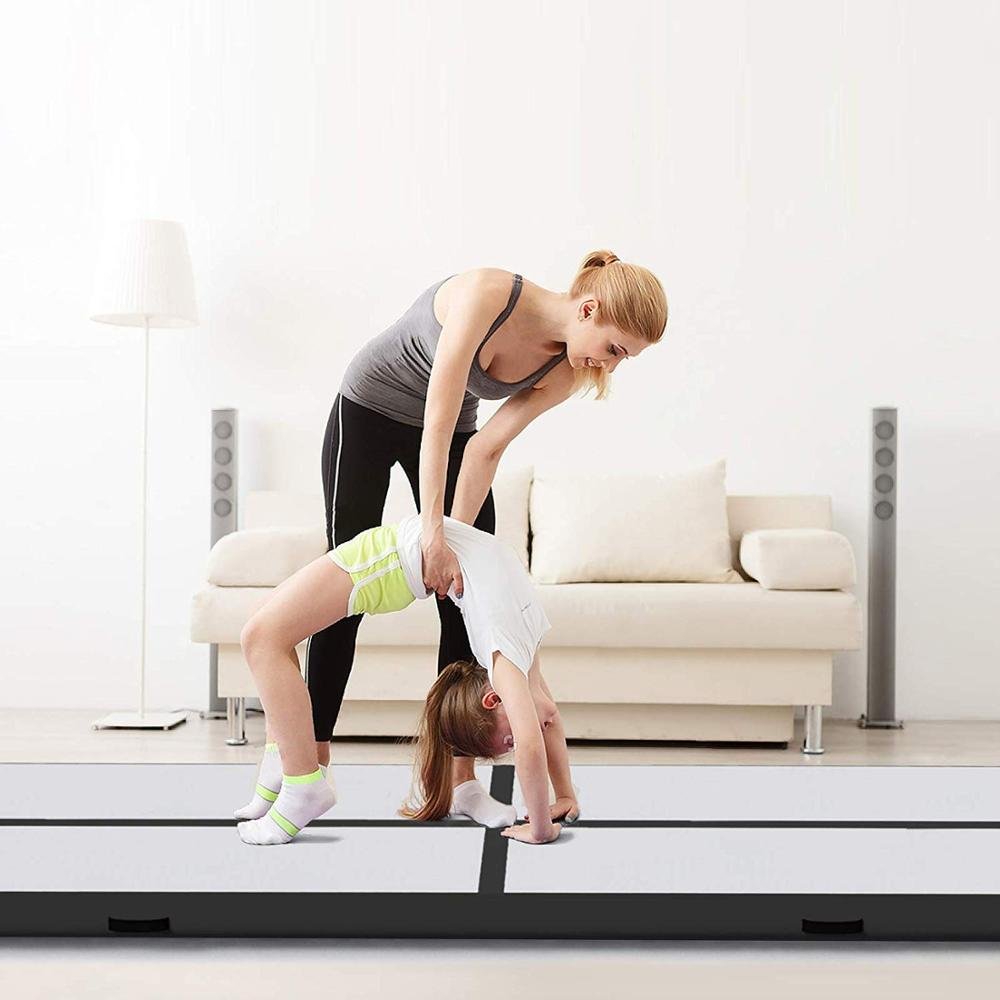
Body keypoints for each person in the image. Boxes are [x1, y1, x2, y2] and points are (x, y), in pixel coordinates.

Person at [304, 251, 668, 825]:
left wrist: (453, 548)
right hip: (369, 410)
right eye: (616, 349)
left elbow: (483, 448)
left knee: (466, 604)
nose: (612, 365)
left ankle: (461, 782)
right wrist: (430, 534)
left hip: (454, 434)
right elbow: (439, 412)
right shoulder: (485, 294)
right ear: (589, 310)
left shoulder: (569, 370)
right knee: (340, 600)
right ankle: (310, 771)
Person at [235, 512, 578, 846]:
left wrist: (556, 801)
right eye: (510, 739)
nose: (520, 735)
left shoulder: (518, 650)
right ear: (493, 699)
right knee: (261, 627)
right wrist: (546, 820)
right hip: (391, 556)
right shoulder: (509, 663)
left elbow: (539, 728)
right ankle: (288, 765)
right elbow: (537, 735)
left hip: (397, 559)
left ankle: (298, 777)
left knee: (262, 637)